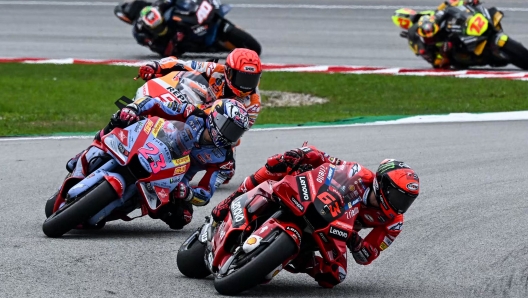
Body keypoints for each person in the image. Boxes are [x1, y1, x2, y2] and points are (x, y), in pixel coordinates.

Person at [211, 146, 420, 288]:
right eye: (398, 196)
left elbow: (368, 255)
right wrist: (303, 153)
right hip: (312, 202)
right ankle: (230, 201)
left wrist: (355, 242)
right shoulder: (357, 172)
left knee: (336, 276)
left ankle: (295, 258)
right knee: (279, 165)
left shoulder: (393, 224)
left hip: (336, 231)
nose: (400, 205)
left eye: (406, 201)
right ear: (381, 184)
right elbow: (326, 160)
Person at [68, 97, 250, 230]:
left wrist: (187, 193)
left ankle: (120, 206)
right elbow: (155, 103)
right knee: (121, 118)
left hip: (174, 177)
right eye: (229, 128)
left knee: (183, 218)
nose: (230, 136)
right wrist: (133, 108)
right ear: (216, 118)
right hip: (152, 145)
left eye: (236, 132)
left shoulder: (225, 161)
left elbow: (205, 194)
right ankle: (87, 152)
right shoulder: (192, 113)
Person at [137, 48, 262, 127]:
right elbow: (184, 65)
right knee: (185, 81)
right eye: (242, 78)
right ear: (228, 72)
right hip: (201, 106)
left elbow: (237, 131)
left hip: (216, 132)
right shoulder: (216, 70)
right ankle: (146, 112)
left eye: (252, 79)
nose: (246, 86)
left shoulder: (252, 104)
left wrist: (201, 113)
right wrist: (156, 66)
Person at [407, 0, 482, 68]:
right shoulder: (425, 44)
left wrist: (466, 1)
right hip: (455, 55)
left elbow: (448, 6)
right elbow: (437, 63)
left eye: (430, 30)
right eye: (426, 32)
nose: (429, 34)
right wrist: (443, 53)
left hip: (455, 34)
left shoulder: (437, 17)